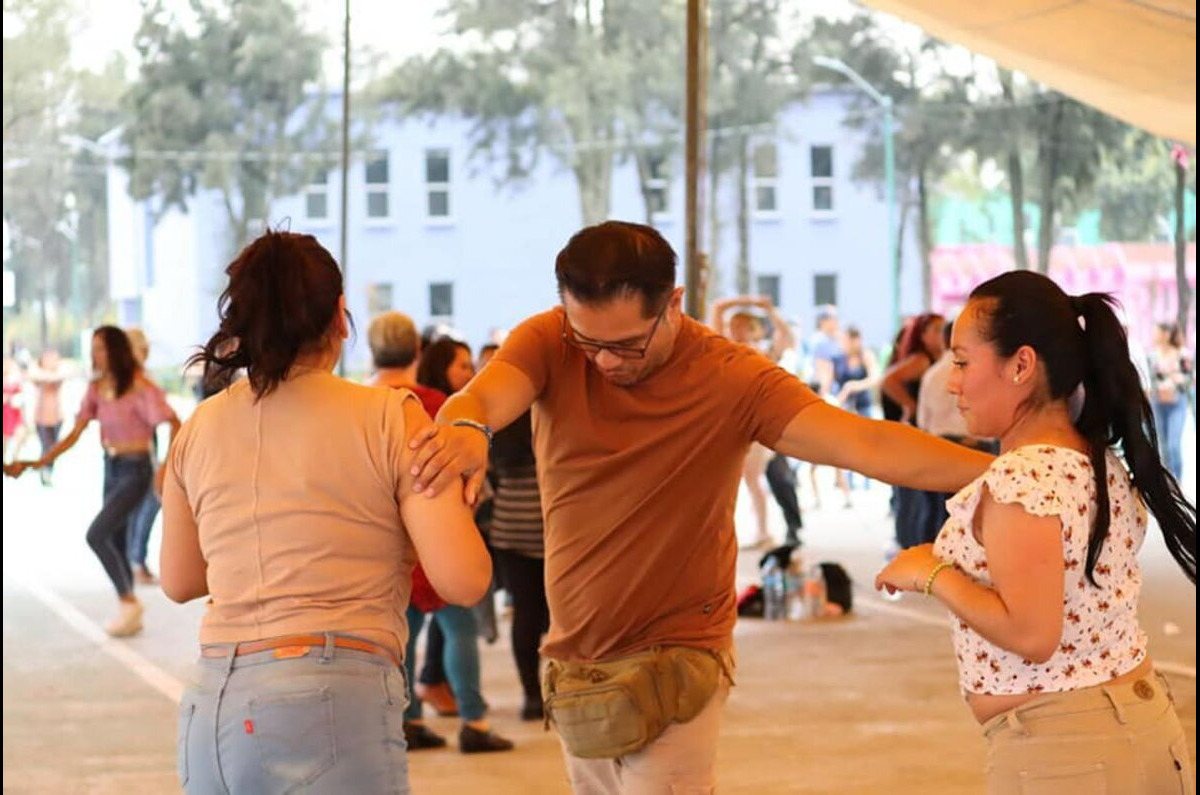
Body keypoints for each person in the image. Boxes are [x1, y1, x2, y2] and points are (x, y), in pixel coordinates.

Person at [407, 220, 991, 791]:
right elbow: (484, 395)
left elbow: (865, 443)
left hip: (678, 655)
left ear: (675, 303)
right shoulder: (551, 339)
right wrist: (465, 425)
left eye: (627, 344)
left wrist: (1002, 470)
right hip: (574, 660)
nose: (606, 362)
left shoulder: (732, 377)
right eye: (591, 343)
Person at [159, 231, 492, 793]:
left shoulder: (199, 429)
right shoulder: (390, 416)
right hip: (332, 700)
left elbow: (180, 580)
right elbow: (463, 579)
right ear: (340, 315)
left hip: (213, 705)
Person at [876, 271, 1196, 794]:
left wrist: (930, 573)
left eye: (961, 362)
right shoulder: (1091, 458)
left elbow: (1031, 635)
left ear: (1021, 365)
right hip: (1128, 731)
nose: (951, 382)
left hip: (1071, 754)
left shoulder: (1023, 478)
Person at [367, 311, 512, 754]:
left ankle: (408, 720)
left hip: (384, 543)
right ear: (417, 351)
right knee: (460, 627)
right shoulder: (433, 404)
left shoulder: (358, 405)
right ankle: (474, 720)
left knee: (402, 635)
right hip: (435, 536)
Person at [6, 327, 181, 637]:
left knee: (97, 535)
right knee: (115, 538)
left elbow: (173, 422)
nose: (96, 354)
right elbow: (75, 433)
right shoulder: (96, 389)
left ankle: (129, 601)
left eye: (101, 348)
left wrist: (165, 466)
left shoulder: (140, 387)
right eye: (94, 348)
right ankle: (129, 609)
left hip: (136, 468)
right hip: (110, 466)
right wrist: (37, 462)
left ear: (116, 350)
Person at [710, 295, 802, 547]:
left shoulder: (762, 352)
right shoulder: (722, 348)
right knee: (734, 480)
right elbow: (717, 308)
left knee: (753, 477)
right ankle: (749, 530)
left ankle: (762, 531)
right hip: (730, 421)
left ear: (752, 329)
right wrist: (750, 301)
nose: (736, 329)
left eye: (742, 325)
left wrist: (768, 309)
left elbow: (788, 339)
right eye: (734, 325)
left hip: (755, 422)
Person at [881, 312, 946, 549]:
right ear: (923, 335)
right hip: (919, 432)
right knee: (917, 498)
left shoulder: (936, 360)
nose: (941, 335)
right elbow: (888, 380)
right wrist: (911, 405)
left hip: (923, 431)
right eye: (936, 330)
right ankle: (916, 547)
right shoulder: (922, 360)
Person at [124, 328, 162, 585]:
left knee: (141, 506)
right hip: (140, 451)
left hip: (143, 448)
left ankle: (134, 560)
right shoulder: (134, 380)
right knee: (148, 503)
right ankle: (135, 560)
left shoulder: (135, 378)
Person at [833, 326, 880, 506]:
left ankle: (868, 478)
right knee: (848, 444)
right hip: (846, 406)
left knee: (867, 443)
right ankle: (849, 481)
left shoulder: (865, 355)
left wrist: (855, 385)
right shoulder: (839, 358)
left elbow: (874, 378)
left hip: (863, 404)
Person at [1148, 322, 1192, 481]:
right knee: (1163, 446)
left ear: (1166, 334)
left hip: (1176, 402)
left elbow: (1189, 379)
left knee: (1174, 444)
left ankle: (1178, 481)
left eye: (1158, 332)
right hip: (1158, 402)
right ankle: (1167, 483)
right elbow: (1149, 378)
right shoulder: (1153, 356)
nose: (1155, 336)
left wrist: (1175, 380)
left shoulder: (1182, 354)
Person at [29, 349, 66, 486]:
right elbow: (36, 376)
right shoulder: (38, 374)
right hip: (41, 417)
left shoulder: (59, 374)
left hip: (57, 416)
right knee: (46, 445)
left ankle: (48, 470)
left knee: (53, 447)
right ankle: (44, 470)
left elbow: (60, 376)